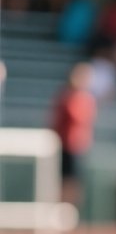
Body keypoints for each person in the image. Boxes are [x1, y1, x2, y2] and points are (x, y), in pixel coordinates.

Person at [49, 63, 97, 209]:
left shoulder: (85, 98)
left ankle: (71, 209)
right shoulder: (68, 97)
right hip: (66, 146)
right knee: (65, 180)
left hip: (78, 147)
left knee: (75, 181)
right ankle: (63, 209)